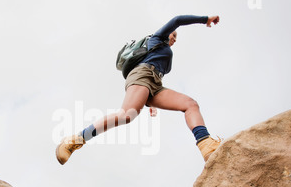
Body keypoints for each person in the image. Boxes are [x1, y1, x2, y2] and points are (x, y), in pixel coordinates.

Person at [56, 14, 221, 165]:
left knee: (190, 104)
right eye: (174, 35)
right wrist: (205, 19)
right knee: (126, 115)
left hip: (154, 85)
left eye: (176, 37)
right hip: (141, 74)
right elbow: (177, 20)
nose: (175, 39)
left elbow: (155, 78)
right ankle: (76, 140)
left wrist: (153, 103)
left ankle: (207, 146)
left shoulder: (166, 56)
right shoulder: (157, 38)